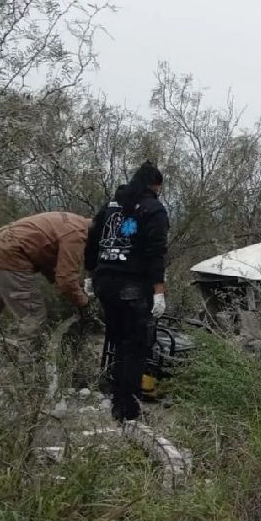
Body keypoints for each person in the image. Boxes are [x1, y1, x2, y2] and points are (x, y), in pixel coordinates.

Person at [0, 211, 92, 375]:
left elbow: (46, 258)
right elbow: (66, 280)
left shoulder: (71, 221)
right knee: (33, 314)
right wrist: (84, 302)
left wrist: (60, 282)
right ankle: (28, 371)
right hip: (11, 256)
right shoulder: (76, 234)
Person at [84, 161, 169, 422]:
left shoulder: (111, 206)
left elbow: (92, 240)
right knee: (135, 347)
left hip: (104, 282)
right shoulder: (153, 209)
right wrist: (158, 291)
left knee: (116, 340)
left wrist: (90, 274)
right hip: (131, 286)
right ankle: (127, 410)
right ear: (155, 185)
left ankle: (114, 395)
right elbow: (155, 253)